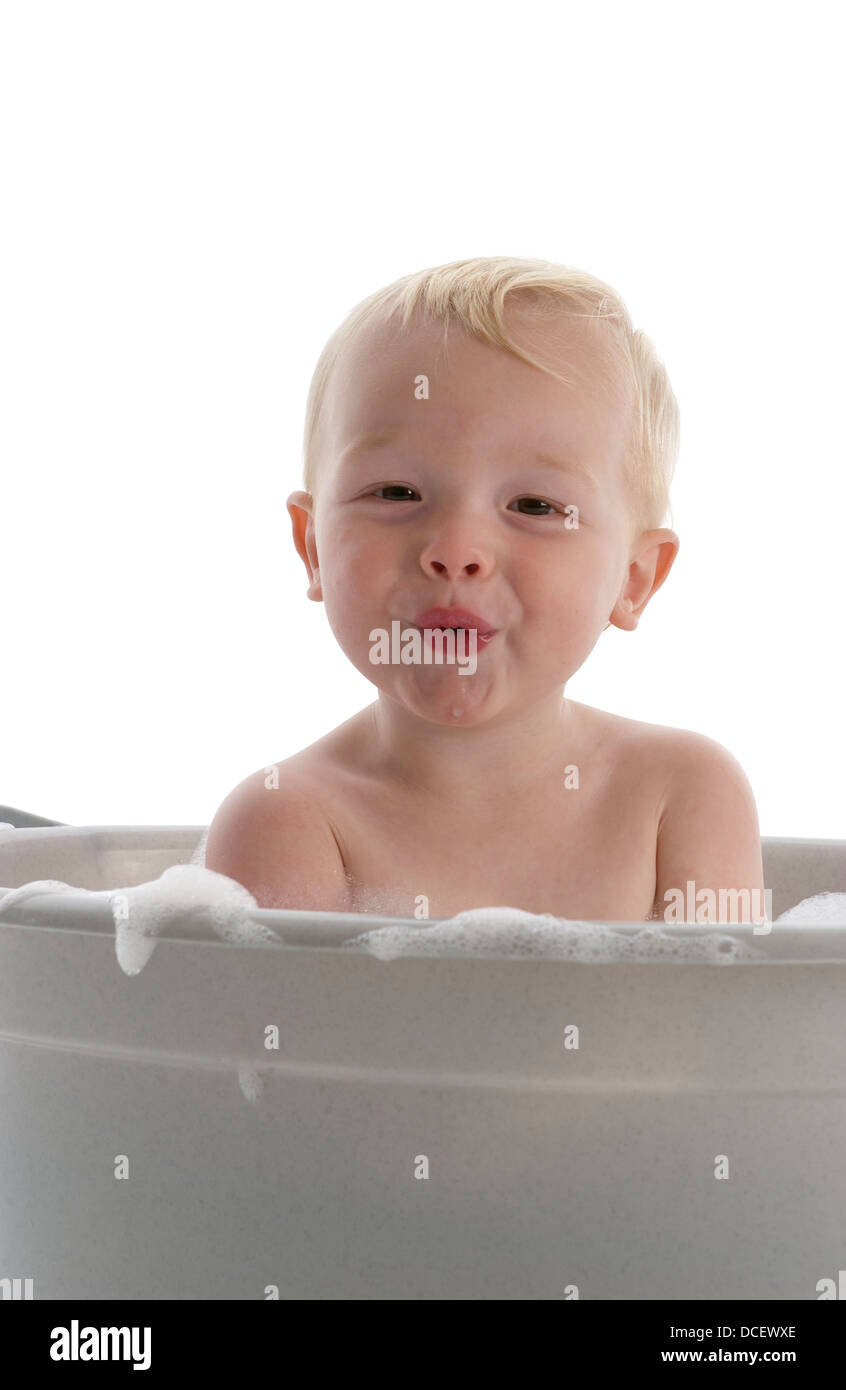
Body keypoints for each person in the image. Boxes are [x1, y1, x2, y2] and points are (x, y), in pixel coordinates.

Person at [205, 256, 764, 922]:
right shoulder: (287, 819)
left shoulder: (682, 796)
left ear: (635, 579)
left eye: (533, 506)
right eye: (396, 492)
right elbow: (290, 1026)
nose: (455, 552)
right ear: (313, 547)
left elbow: (724, 1023)